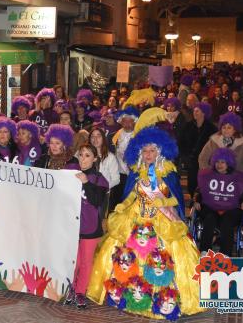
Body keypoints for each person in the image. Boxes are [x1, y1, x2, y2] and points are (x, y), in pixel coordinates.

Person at [87, 126, 204, 319]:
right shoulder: (136, 173)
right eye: (145, 151)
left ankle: (164, 299)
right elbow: (131, 195)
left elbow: (176, 199)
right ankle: (130, 296)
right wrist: (122, 206)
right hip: (136, 217)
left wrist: (164, 201)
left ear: (160, 152)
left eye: (152, 150)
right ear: (139, 153)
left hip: (161, 220)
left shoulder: (167, 173)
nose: (148, 154)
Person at [65, 144, 108, 308]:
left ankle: (80, 292)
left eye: (88, 155)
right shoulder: (71, 175)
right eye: (81, 155)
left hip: (91, 227)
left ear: (95, 159)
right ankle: (70, 288)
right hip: (72, 227)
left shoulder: (99, 178)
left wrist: (86, 182)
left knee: (85, 262)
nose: (83, 159)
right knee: (72, 262)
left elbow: (97, 200)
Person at [193, 148, 243, 256]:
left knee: (227, 222)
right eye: (217, 162)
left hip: (231, 209)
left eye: (223, 162)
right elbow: (200, 190)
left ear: (229, 164)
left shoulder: (237, 178)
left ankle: (225, 253)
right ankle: (204, 250)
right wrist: (196, 201)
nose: (219, 165)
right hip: (211, 208)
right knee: (209, 219)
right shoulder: (207, 176)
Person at [198, 112, 243, 178]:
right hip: (217, 179)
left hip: (236, 179)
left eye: (229, 127)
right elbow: (202, 157)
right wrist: (208, 172)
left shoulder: (242, 144)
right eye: (224, 127)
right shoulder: (213, 142)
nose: (226, 130)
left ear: (234, 130)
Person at [180, 102, 216, 197]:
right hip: (191, 161)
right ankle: (193, 199)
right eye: (194, 111)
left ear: (204, 113)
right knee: (192, 182)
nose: (194, 113)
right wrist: (185, 156)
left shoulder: (212, 128)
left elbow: (215, 146)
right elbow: (181, 142)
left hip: (206, 161)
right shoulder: (188, 126)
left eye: (197, 111)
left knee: (205, 182)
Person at [110, 106, 139, 212]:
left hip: (134, 174)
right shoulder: (114, 136)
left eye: (130, 121)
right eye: (124, 121)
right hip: (119, 174)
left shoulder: (139, 136)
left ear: (135, 122)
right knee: (117, 201)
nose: (127, 124)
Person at [89, 127, 120, 193]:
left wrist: (103, 187)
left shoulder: (110, 157)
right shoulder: (84, 154)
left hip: (103, 194)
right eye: (92, 136)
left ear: (103, 138)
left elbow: (116, 179)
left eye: (98, 136)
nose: (95, 139)